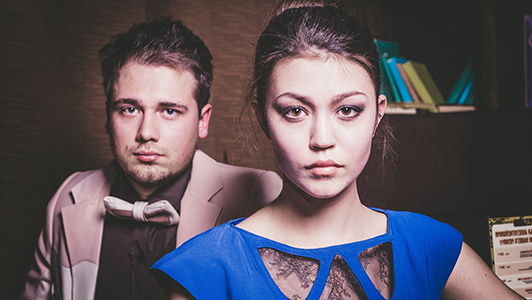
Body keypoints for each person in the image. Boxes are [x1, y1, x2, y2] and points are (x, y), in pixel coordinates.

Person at [151, 2, 525, 300]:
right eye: (295, 111)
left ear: (378, 115)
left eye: (347, 110)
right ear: (263, 117)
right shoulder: (207, 269)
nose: (322, 138)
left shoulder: (429, 244)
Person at [19, 17, 282, 300]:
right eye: (130, 109)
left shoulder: (257, 194)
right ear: (108, 116)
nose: (146, 133)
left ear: (203, 121)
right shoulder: (67, 196)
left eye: (169, 111)